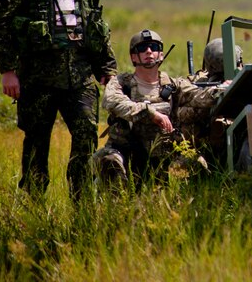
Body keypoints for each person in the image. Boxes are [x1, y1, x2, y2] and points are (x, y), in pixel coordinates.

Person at [0, 0, 116, 200]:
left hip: (79, 80)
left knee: (86, 139)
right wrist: (7, 71)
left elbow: (96, 29)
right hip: (37, 81)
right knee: (36, 145)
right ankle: (34, 208)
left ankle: (82, 206)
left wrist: (106, 68)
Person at [94, 29, 224, 189]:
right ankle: (114, 208)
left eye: (154, 47)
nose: (149, 51)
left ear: (161, 55)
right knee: (107, 160)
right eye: (142, 48)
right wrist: (150, 113)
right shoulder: (122, 82)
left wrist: (223, 89)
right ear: (134, 57)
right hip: (127, 152)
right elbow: (112, 101)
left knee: (197, 163)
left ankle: (188, 204)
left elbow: (199, 95)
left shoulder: (172, 84)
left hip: (162, 156)